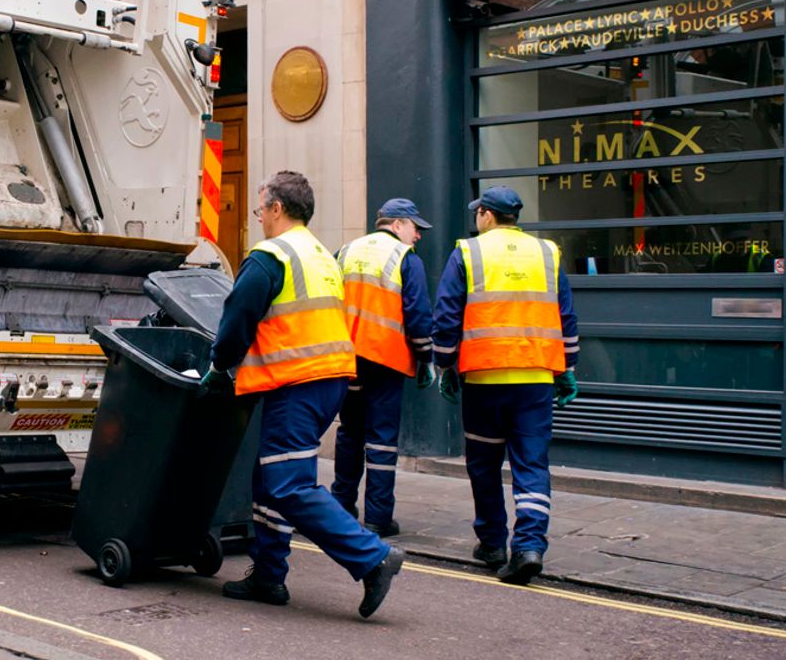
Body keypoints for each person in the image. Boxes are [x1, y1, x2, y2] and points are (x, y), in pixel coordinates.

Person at [202, 170, 404, 619]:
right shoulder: (320, 255)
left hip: (298, 381)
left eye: (259, 209)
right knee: (269, 478)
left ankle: (372, 558)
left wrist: (218, 365)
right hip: (327, 379)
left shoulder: (271, 256)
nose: (259, 218)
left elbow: (238, 317)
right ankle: (270, 575)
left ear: (276, 208)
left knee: (289, 485)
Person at [431, 185, 579, 585]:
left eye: (478, 211)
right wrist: (567, 369)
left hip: (484, 377)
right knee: (532, 462)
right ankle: (529, 546)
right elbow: (565, 314)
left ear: (487, 216)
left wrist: (445, 366)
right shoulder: (548, 253)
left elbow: (446, 315)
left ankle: (493, 543)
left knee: (483, 463)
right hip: (535, 378)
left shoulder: (468, 251)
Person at [332, 198, 436, 537]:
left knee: (349, 432)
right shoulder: (405, 259)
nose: (418, 235)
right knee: (381, 439)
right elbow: (418, 315)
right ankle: (378, 517)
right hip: (385, 361)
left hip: (347, 359)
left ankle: (341, 505)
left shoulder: (346, 251)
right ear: (397, 224)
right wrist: (425, 357)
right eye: (415, 227)